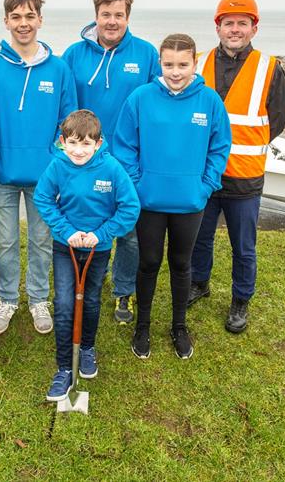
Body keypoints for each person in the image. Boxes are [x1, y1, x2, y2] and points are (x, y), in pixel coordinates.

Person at [112, 34, 231, 360]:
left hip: (190, 201)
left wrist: (205, 185)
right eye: (168, 64)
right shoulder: (141, 98)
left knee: (181, 264)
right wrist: (137, 184)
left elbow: (219, 148)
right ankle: (144, 327)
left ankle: (179, 326)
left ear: (195, 63)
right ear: (160, 64)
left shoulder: (209, 102)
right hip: (149, 201)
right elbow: (124, 145)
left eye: (183, 64)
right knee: (148, 262)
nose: (175, 72)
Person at [0, 0, 77, 337]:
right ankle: (7, 299)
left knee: (41, 240)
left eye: (29, 16)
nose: (23, 23)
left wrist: (55, 160)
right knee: (4, 242)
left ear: (40, 20)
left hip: (45, 177)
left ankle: (37, 298)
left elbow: (70, 123)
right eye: (15, 16)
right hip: (2, 173)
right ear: (5, 21)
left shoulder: (59, 69)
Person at [189, 0, 285, 334]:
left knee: (243, 246)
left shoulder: (270, 68)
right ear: (218, 27)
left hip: (245, 178)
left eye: (242, 24)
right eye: (228, 23)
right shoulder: (197, 63)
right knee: (200, 238)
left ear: (254, 28)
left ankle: (240, 300)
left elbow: (274, 121)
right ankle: (199, 283)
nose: (235, 29)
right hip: (203, 174)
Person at [62, 0, 160, 325]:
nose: (112, 21)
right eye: (106, 14)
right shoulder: (74, 54)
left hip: (130, 161)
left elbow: (162, 101)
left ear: (128, 17)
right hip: (85, 160)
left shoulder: (146, 54)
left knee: (129, 235)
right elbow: (64, 105)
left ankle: (123, 291)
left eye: (119, 15)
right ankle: (86, 282)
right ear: (96, 16)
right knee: (85, 224)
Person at [33, 110, 139, 400]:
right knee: (65, 303)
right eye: (73, 143)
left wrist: (101, 235)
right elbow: (42, 198)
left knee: (90, 299)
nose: (78, 151)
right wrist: (66, 230)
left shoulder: (112, 169)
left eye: (86, 144)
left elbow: (130, 207)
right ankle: (65, 367)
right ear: (62, 141)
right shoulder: (58, 166)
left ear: (98, 143)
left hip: (97, 248)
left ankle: (88, 348)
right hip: (65, 247)